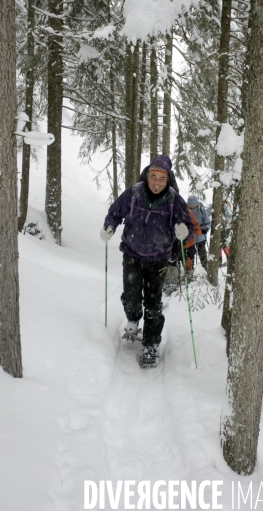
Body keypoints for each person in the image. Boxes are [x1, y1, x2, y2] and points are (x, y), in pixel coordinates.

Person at [100, 155, 193, 368]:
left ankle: (151, 345)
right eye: (153, 176)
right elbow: (115, 213)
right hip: (132, 255)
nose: (157, 182)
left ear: (167, 178)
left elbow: (186, 232)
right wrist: (109, 227)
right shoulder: (133, 193)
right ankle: (133, 320)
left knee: (153, 305)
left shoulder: (174, 200)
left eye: (162, 178)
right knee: (131, 297)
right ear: (147, 175)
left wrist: (183, 232)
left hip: (158, 260)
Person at [186, 195, 211, 270]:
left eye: (193, 205)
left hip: (200, 236)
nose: (192, 207)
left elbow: (207, 222)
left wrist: (205, 228)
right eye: (190, 205)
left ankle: (205, 268)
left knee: (202, 253)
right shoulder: (185, 210)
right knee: (191, 254)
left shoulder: (201, 210)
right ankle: (190, 270)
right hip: (190, 238)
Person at [220, 198, 232, 267]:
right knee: (221, 244)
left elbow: (229, 216)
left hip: (224, 228)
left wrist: (226, 223)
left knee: (223, 243)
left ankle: (228, 259)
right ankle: (221, 260)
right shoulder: (224, 205)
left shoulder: (224, 206)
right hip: (223, 227)